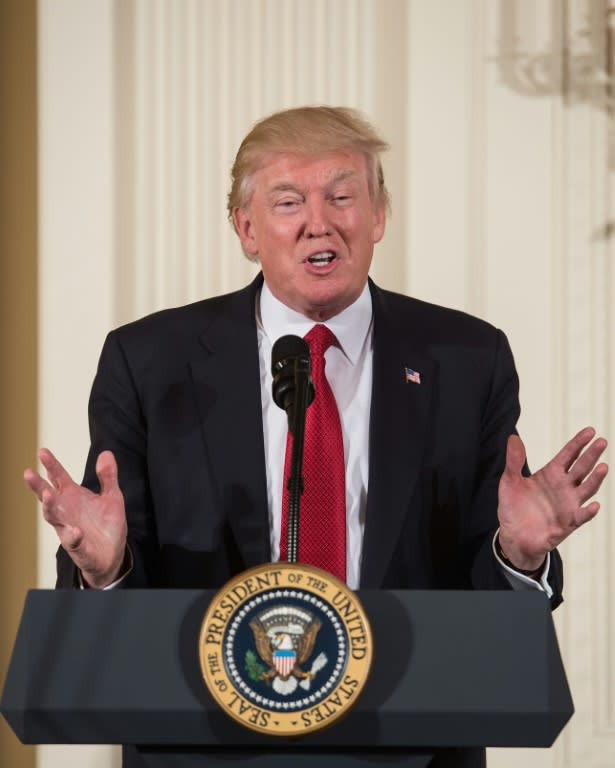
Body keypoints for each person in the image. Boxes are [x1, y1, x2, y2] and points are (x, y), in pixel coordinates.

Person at [24, 106, 608, 767]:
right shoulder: (151, 361)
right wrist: (106, 571)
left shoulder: (465, 359)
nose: (318, 222)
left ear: (378, 215)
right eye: (287, 201)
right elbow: (120, 595)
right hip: (201, 752)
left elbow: (481, 603)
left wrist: (516, 554)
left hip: (414, 751)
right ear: (246, 228)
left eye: (341, 195)